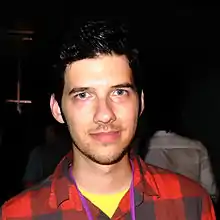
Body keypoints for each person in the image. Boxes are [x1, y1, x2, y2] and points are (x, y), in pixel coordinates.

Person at [0, 18, 215, 219]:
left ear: (140, 102)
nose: (105, 114)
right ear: (57, 109)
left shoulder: (191, 203)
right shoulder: (18, 215)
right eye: (83, 95)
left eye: (119, 92)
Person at [144, 130, 218, 201]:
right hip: (191, 207)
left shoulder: (141, 149)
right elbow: (210, 190)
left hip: (155, 209)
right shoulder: (198, 147)